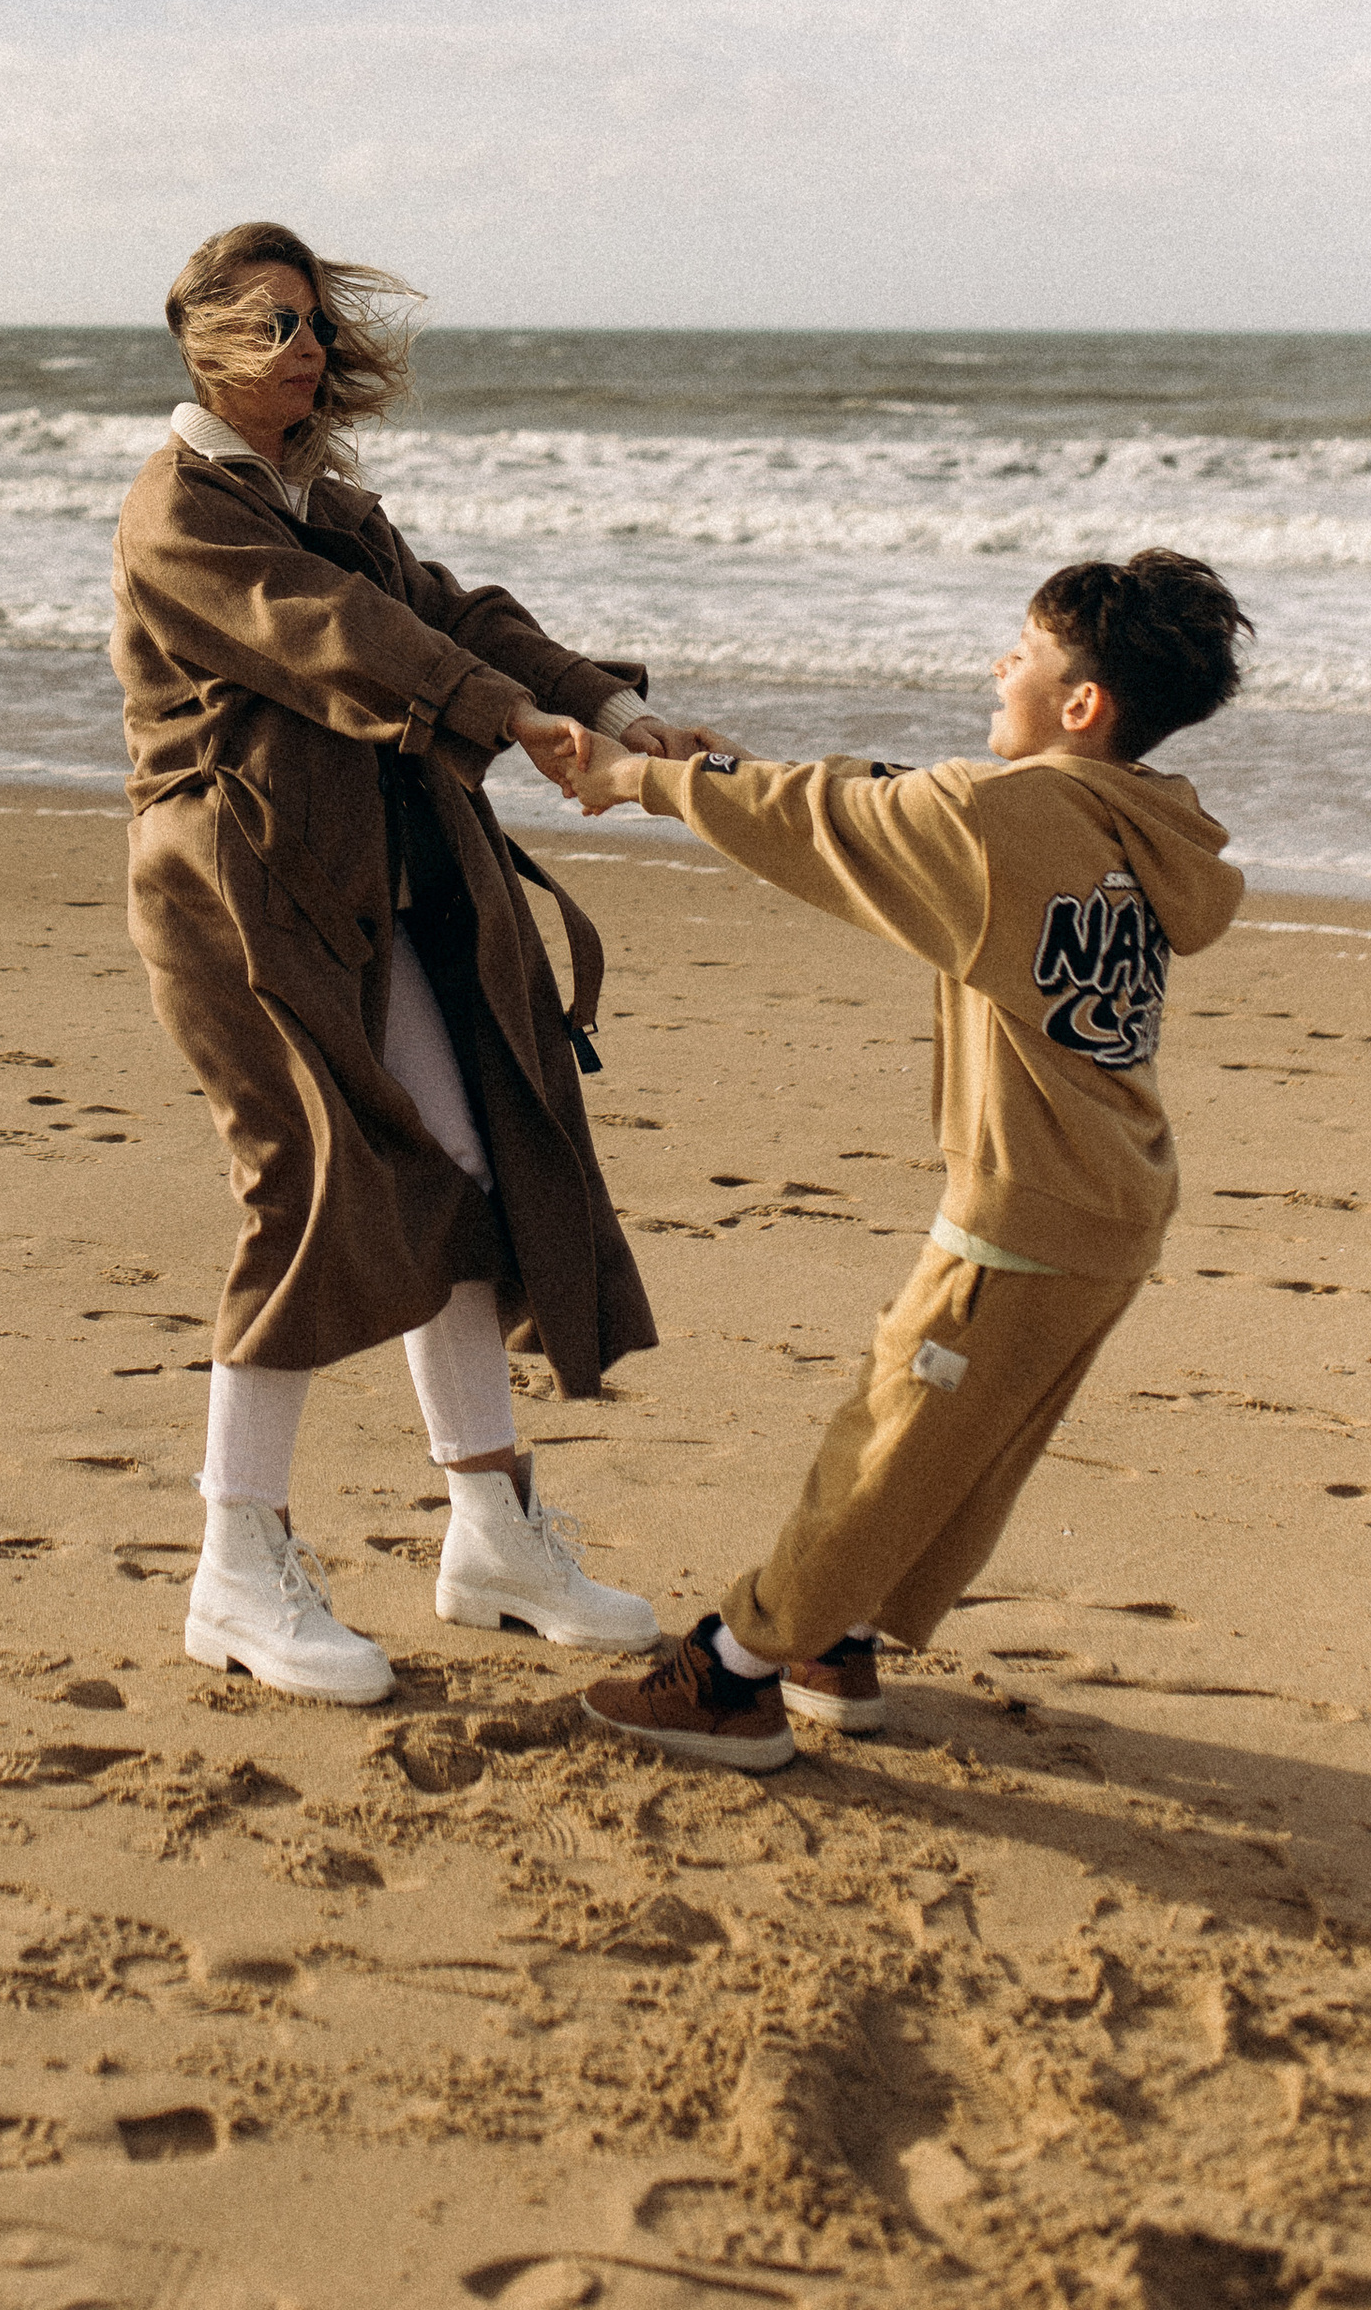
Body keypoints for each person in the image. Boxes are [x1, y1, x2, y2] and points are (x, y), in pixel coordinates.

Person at [110, 221, 726, 1707]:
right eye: (268, 325)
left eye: (313, 322)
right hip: (242, 898)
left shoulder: (323, 494)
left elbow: (448, 610)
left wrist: (600, 707)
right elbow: (340, 636)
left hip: (372, 892)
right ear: (197, 341)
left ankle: (493, 1534)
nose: (303, 347)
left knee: (466, 1177)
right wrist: (513, 723)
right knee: (308, 1190)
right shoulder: (183, 511)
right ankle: (234, 1571)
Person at [534, 548, 1251, 1770]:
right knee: (966, 1444)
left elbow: (825, 818)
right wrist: (685, 766)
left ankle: (739, 1670)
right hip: (1119, 1199)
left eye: (1018, 653)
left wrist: (644, 781)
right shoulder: (1142, 824)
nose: (996, 665)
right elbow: (884, 796)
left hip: (1023, 1207)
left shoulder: (999, 814)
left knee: (891, 1429)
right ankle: (842, 1639)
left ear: (1080, 703)